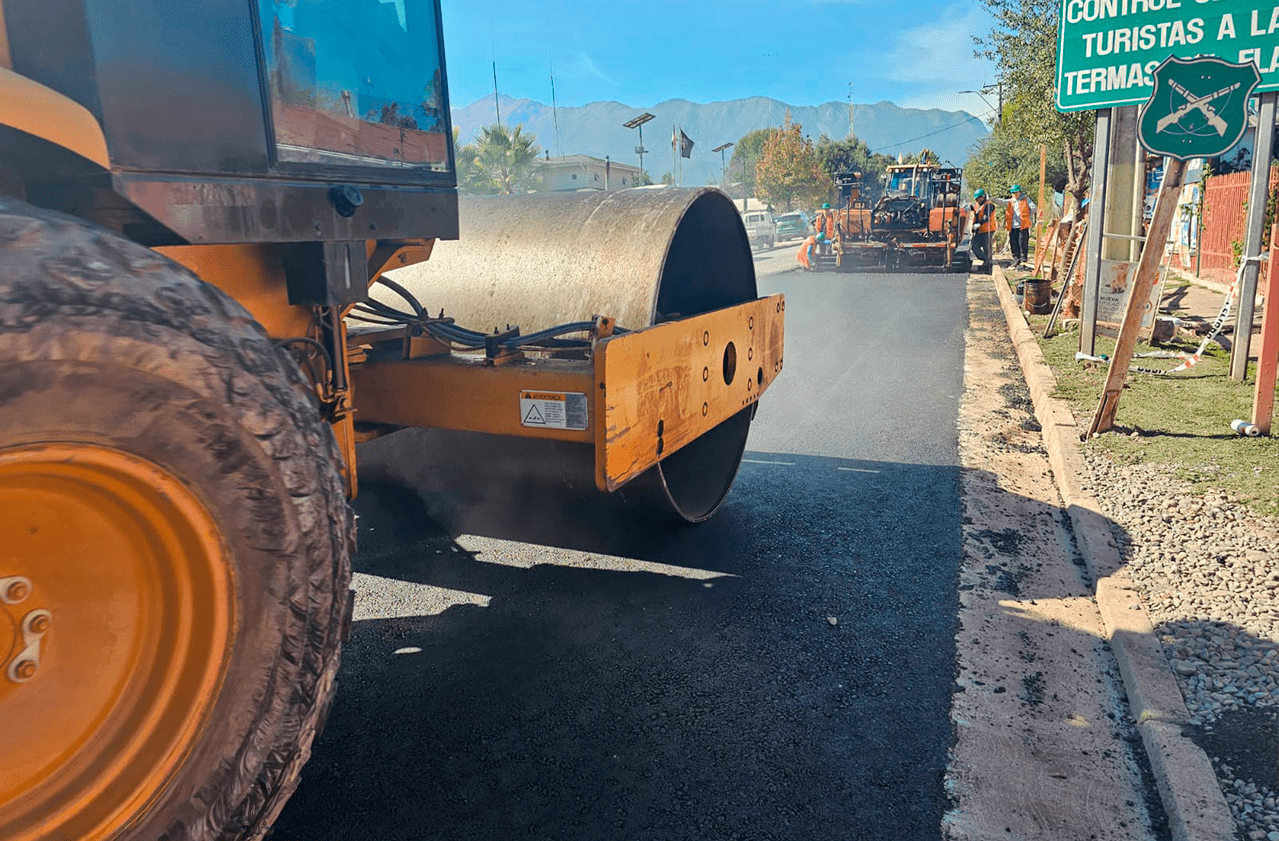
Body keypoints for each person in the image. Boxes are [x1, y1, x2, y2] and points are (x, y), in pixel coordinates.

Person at [994, 184, 1036, 268]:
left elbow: (1034, 208)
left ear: (1020, 192)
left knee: (1022, 243)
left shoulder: (1026, 199)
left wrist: (1027, 216)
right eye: (1013, 193)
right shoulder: (1011, 201)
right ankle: (1016, 260)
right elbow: (1002, 202)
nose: (1015, 194)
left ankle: (1023, 260)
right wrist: (993, 199)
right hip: (1012, 227)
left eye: (1016, 193)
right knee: (1013, 243)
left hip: (1022, 226)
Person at [969, 189, 996, 274]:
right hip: (979, 230)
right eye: (976, 199)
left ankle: (988, 264)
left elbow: (986, 217)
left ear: (983, 197)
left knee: (987, 248)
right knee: (974, 246)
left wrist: (979, 224)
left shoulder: (989, 205)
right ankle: (986, 260)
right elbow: (976, 214)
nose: (976, 200)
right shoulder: (978, 205)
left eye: (978, 198)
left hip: (987, 229)